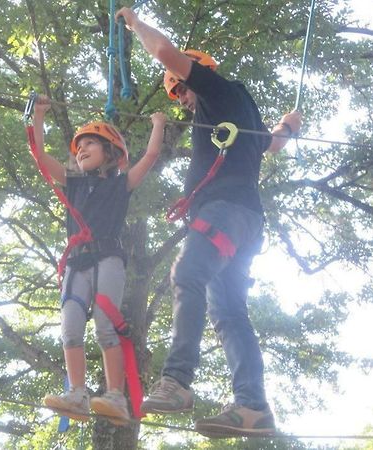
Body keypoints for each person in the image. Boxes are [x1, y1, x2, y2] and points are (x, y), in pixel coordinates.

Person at [115, 7, 302, 437]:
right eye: (175, 94)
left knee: (188, 272)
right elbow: (270, 145)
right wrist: (288, 127)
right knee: (229, 312)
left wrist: (134, 23)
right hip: (242, 222)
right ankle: (253, 407)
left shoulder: (218, 89)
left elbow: (163, 50)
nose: (181, 97)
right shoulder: (234, 110)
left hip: (225, 212)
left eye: (182, 86)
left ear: (199, 71)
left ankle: (177, 381)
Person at [32, 95, 167, 425]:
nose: (82, 150)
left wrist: (158, 124)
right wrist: (37, 116)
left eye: (90, 144)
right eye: (79, 147)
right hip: (77, 262)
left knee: (106, 327)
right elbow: (38, 155)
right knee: (70, 329)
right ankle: (77, 394)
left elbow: (150, 155)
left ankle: (115, 397)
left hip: (107, 257)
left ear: (111, 153)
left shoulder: (121, 185)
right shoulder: (73, 183)